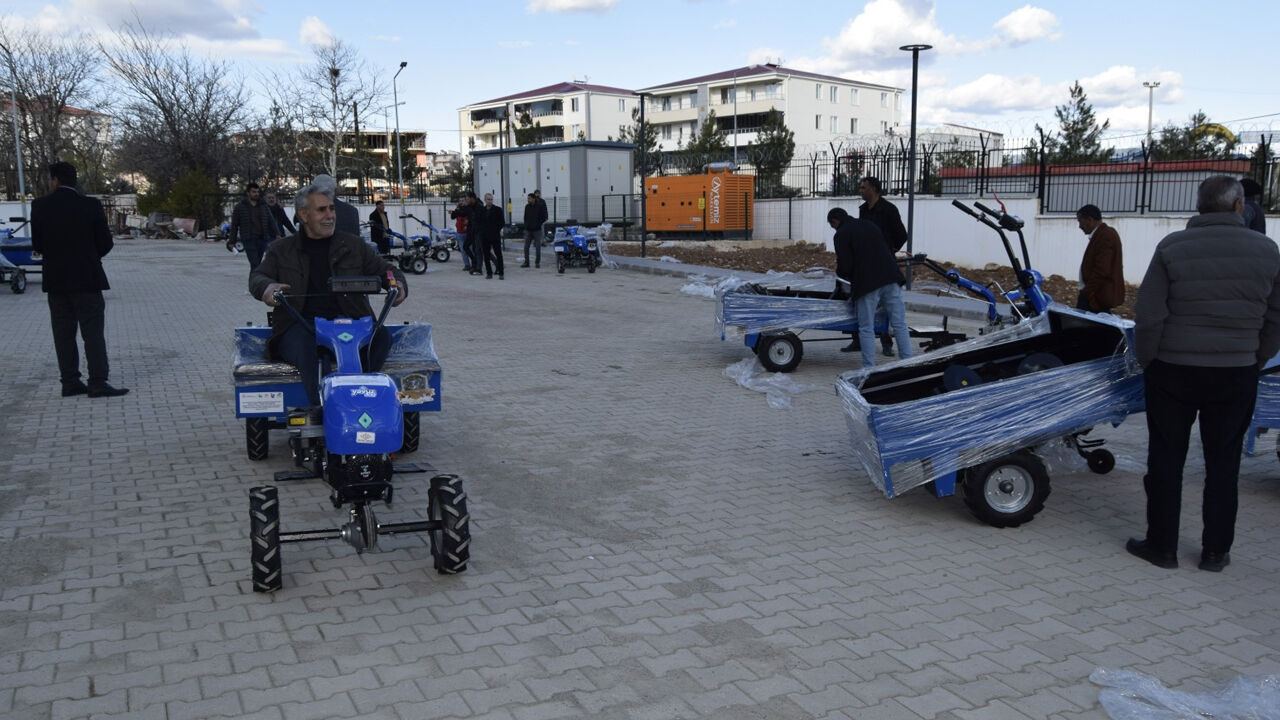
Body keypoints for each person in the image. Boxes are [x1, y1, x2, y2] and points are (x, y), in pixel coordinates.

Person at [1129, 175, 1280, 573]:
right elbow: (1276, 315)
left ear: (1198, 207)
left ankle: (1162, 547)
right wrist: (1256, 358)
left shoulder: (1172, 247)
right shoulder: (1268, 251)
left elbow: (1148, 315)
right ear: (1238, 207)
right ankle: (1215, 552)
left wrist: (1149, 361)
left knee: (1165, 459)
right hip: (1235, 372)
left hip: (1173, 371)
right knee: (1224, 462)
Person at [249, 178, 408, 408]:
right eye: (321, 210)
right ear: (303, 215)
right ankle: (319, 408)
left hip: (351, 323)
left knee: (381, 337)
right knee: (304, 347)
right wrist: (267, 288)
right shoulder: (280, 250)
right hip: (301, 325)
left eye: (331, 208)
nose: (330, 215)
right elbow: (257, 277)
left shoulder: (353, 245)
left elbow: (387, 271)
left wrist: (397, 284)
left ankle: (360, 397)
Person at [30, 161, 129, 398]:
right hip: (87, 279)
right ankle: (97, 382)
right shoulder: (90, 206)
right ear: (74, 181)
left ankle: (70, 381)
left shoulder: (40, 206)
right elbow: (105, 242)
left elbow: (38, 245)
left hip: (56, 281)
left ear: (55, 180)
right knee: (92, 333)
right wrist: (89, 258)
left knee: (63, 334)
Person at [827, 207, 913, 369]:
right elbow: (886, 247)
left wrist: (843, 278)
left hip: (867, 283)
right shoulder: (869, 225)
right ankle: (908, 363)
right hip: (891, 277)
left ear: (835, 221)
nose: (833, 228)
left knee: (866, 327)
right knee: (899, 323)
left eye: (832, 225)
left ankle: (868, 368)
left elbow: (845, 265)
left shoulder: (841, 234)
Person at [857, 176, 907, 356]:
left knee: (889, 309)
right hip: (868, 264)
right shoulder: (863, 210)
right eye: (860, 188)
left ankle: (887, 343)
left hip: (885, 266)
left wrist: (888, 249)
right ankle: (857, 341)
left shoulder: (888, 210)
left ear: (874, 189)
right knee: (866, 311)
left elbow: (901, 235)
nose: (860, 191)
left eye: (864, 188)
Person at [1074, 204, 1125, 313]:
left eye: (1080, 221)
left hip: (1097, 296)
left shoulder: (1106, 235)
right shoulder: (1101, 234)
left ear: (1089, 220)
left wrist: (1087, 293)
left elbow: (1102, 270)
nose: (1080, 226)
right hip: (1095, 294)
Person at [228, 182, 279, 271]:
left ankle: (254, 282)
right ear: (248, 193)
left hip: (262, 238)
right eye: (254, 192)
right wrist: (232, 241)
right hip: (249, 239)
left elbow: (271, 221)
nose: (256, 194)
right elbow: (234, 225)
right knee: (255, 263)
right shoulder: (240, 207)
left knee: (257, 264)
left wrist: (277, 234)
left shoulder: (263, 206)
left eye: (257, 192)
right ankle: (255, 283)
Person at [480, 192, 506, 279]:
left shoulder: (498, 210)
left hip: (495, 236)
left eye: (491, 199)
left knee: (498, 254)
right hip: (485, 236)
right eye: (488, 199)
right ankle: (489, 273)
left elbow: (502, 222)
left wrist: (495, 230)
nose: (490, 201)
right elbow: (479, 223)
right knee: (486, 255)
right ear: (485, 200)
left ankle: (501, 273)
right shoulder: (482, 210)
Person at [521, 192, 547, 268]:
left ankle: (537, 263)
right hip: (528, 230)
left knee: (538, 247)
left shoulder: (540, 206)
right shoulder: (527, 207)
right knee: (526, 247)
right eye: (527, 198)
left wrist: (538, 224)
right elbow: (525, 217)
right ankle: (526, 262)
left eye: (529, 198)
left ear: (533, 199)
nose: (528, 200)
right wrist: (526, 226)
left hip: (537, 230)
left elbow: (544, 217)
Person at [450, 195, 474, 272]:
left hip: (467, 232)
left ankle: (474, 263)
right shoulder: (458, 208)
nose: (461, 202)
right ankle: (467, 265)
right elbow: (453, 217)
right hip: (459, 232)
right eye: (460, 201)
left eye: (463, 200)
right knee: (463, 250)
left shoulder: (468, 209)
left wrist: (468, 224)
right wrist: (454, 211)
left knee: (470, 249)